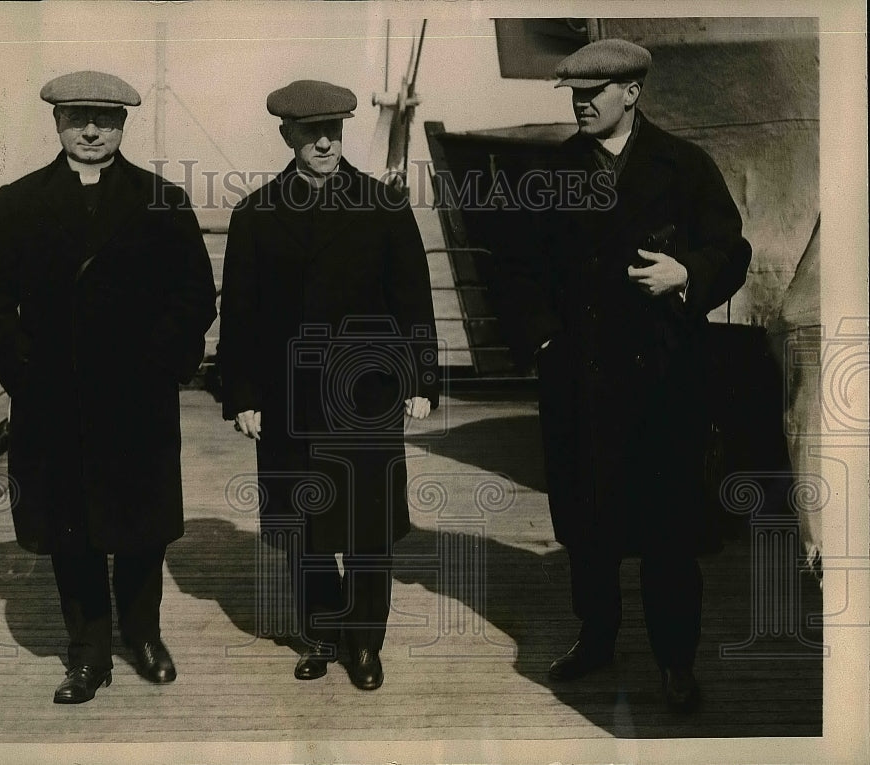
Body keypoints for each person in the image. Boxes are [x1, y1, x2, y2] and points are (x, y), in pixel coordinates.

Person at [501, 40, 752, 711]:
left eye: (596, 91)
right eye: (576, 94)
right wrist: (544, 340)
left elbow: (732, 248)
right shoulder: (551, 174)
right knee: (588, 527)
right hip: (580, 380)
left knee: (669, 533)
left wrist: (688, 273)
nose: (582, 102)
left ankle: (676, 662)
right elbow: (517, 270)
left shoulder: (685, 165)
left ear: (632, 92)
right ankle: (597, 636)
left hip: (663, 381)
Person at [0, 70, 217, 704]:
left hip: (138, 399)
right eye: (79, 118)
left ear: (124, 126)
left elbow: (194, 295)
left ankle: (144, 634)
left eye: (105, 119)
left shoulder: (162, 199)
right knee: (69, 528)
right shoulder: (19, 200)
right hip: (55, 401)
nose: (92, 130)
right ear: (57, 123)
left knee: (142, 525)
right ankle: (87, 652)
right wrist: (28, 375)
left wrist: (158, 365)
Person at [219, 79, 439, 691]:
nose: (324, 142)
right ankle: (320, 634)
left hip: (366, 396)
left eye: (334, 130)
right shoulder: (256, 214)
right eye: (311, 132)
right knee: (305, 528)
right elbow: (239, 314)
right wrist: (241, 395)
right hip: (289, 400)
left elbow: (414, 301)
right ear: (286, 134)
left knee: (367, 530)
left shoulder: (383, 205)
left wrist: (423, 377)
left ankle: (365, 643)